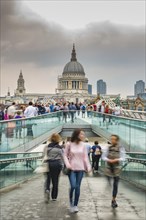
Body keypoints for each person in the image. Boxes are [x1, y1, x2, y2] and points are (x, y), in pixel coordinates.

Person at [64, 129, 91, 213]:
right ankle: (71, 202)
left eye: (84, 134)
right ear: (77, 135)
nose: (83, 136)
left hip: (81, 169)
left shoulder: (83, 145)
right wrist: (68, 164)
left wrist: (88, 167)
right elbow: (64, 155)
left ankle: (75, 205)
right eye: (81, 134)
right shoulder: (69, 144)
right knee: (73, 186)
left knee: (78, 186)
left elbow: (85, 157)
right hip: (71, 168)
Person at [102, 135, 125, 208]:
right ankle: (108, 183)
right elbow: (103, 157)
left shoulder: (121, 148)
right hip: (109, 167)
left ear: (117, 140)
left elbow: (123, 157)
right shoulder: (107, 148)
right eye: (111, 139)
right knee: (109, 181)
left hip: (116, 168)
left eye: (114, 139)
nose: (112, 141)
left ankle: (113, 199)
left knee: (115, 184)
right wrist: (108, 160)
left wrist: (116, 160)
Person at [44, 133, 64, 203]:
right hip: (57, 164)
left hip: (49, 163)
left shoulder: (48, 146)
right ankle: (54, 197)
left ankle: (47, 189)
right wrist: (63, 165)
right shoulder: (59, 147)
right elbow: (62, 157)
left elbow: (45, 155)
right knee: (55, 180)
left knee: (48, 178)